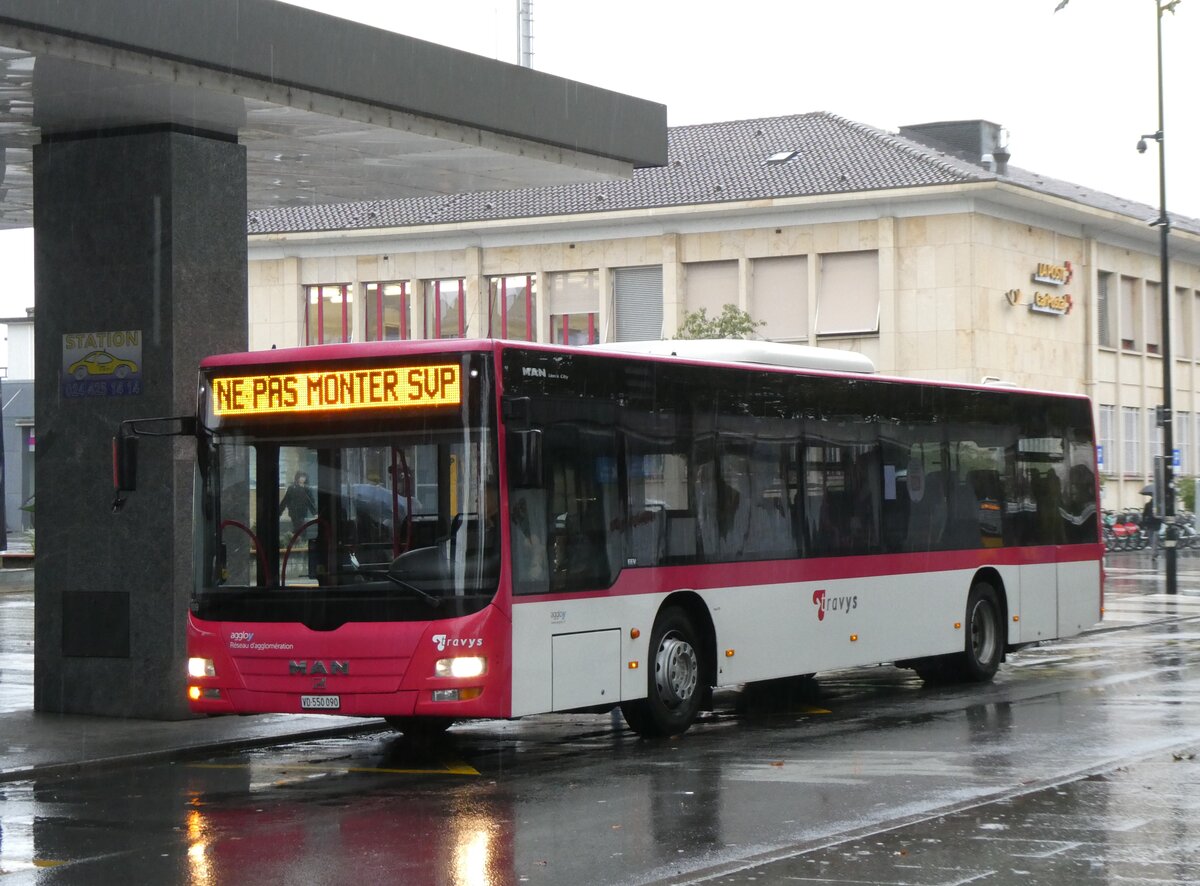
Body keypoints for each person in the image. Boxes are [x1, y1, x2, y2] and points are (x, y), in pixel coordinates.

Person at [1143, 496, 1162, 563]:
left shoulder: (1148, 505)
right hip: (1156, 525)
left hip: (1150, 524)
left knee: (1152, 540)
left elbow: (1144, 515)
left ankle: (1154, 554)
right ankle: (1155, 553)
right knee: (1154, 540)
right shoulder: (1159, 505)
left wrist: (1144, 523)